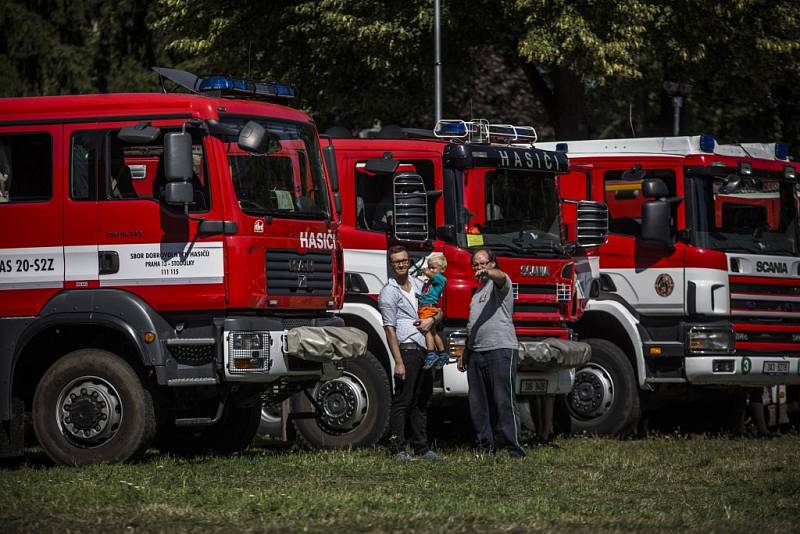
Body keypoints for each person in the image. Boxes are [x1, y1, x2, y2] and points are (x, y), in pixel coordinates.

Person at [458, 247, 524, 458]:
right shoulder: (477, 293)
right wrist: (466, 351)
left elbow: (501, 276)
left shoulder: (500, 285)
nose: (479, 268)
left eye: (483, 263)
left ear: (493, 264)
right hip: (477, 353)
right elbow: (473, 324)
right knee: (478, 405)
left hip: (500, 349)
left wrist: (489, 273)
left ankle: (514, 450)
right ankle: (485, 447)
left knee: (503, 401)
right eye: (475, 264)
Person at [379, 245, 441, 461]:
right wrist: (398, 362)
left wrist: (432, 320)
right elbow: (389, 329)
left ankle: (421, 447)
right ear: (391, 264)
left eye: (404, 260)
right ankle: (398, 448)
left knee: (422, 399)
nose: (401, 264)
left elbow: (438, 310)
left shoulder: (419, 284)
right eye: (397, 261)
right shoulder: (389, 291)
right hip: (407, 348)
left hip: (425, 347)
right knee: (404, 399)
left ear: (409, 261)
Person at [418, 252, 448, 370]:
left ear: (442, 269)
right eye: (429, 267)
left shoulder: (440, 279)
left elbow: (432, 275)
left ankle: (431, 354)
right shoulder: (431, 281)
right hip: (427, 307)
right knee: (434, 333)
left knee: (427, 332)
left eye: (433, 267)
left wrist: (425, 270)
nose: (430, 269)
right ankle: (442, 353)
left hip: (428, 308)